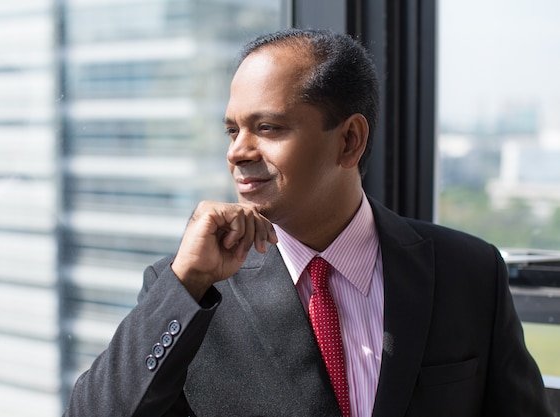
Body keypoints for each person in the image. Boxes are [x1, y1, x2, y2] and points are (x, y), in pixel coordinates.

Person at [63, 28, 553, 417]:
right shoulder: (186, 290)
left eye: (268, 128)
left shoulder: (467, 271)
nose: (237, 151)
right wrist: (186, 284)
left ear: (349, 141)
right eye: (233, 130)